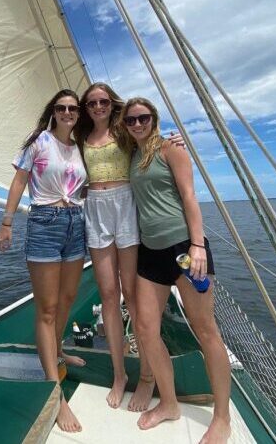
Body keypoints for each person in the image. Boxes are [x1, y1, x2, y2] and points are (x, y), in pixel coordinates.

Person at [121, 97, 231, 443]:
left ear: (154, 119)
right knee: (145, 328)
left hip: (184, 249)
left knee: (205, 330)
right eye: (131, 120)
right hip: (150, 252)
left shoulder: (172, 150)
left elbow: (189, 197)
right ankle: (168, 404)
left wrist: (198, 245)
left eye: (143, 118)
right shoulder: (134, 155)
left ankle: (222, 417)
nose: (137, 124)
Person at [0, 89, 88, 433]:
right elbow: (20, 180)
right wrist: (7, 222)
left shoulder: (79, 146)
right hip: (45, 224)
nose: (68, 112)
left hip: (75, 224)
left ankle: (59, 349)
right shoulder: (39, 142)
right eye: (62, 107)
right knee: (47, 308)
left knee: (67, 299)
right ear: (53, 111)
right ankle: (55, 391)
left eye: (73, 108)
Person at [73, 82, 156, 412]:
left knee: (131, 293)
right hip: (95, 206)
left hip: (124, 205)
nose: (98, 106)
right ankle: (120, 374)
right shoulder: (81, 137)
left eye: (103, 101)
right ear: (86, 106)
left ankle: (147, 374)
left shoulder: (125, 131)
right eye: (91, 102)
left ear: (112, 103)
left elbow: (149, 141)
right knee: (108, 294)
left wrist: (175, 139)